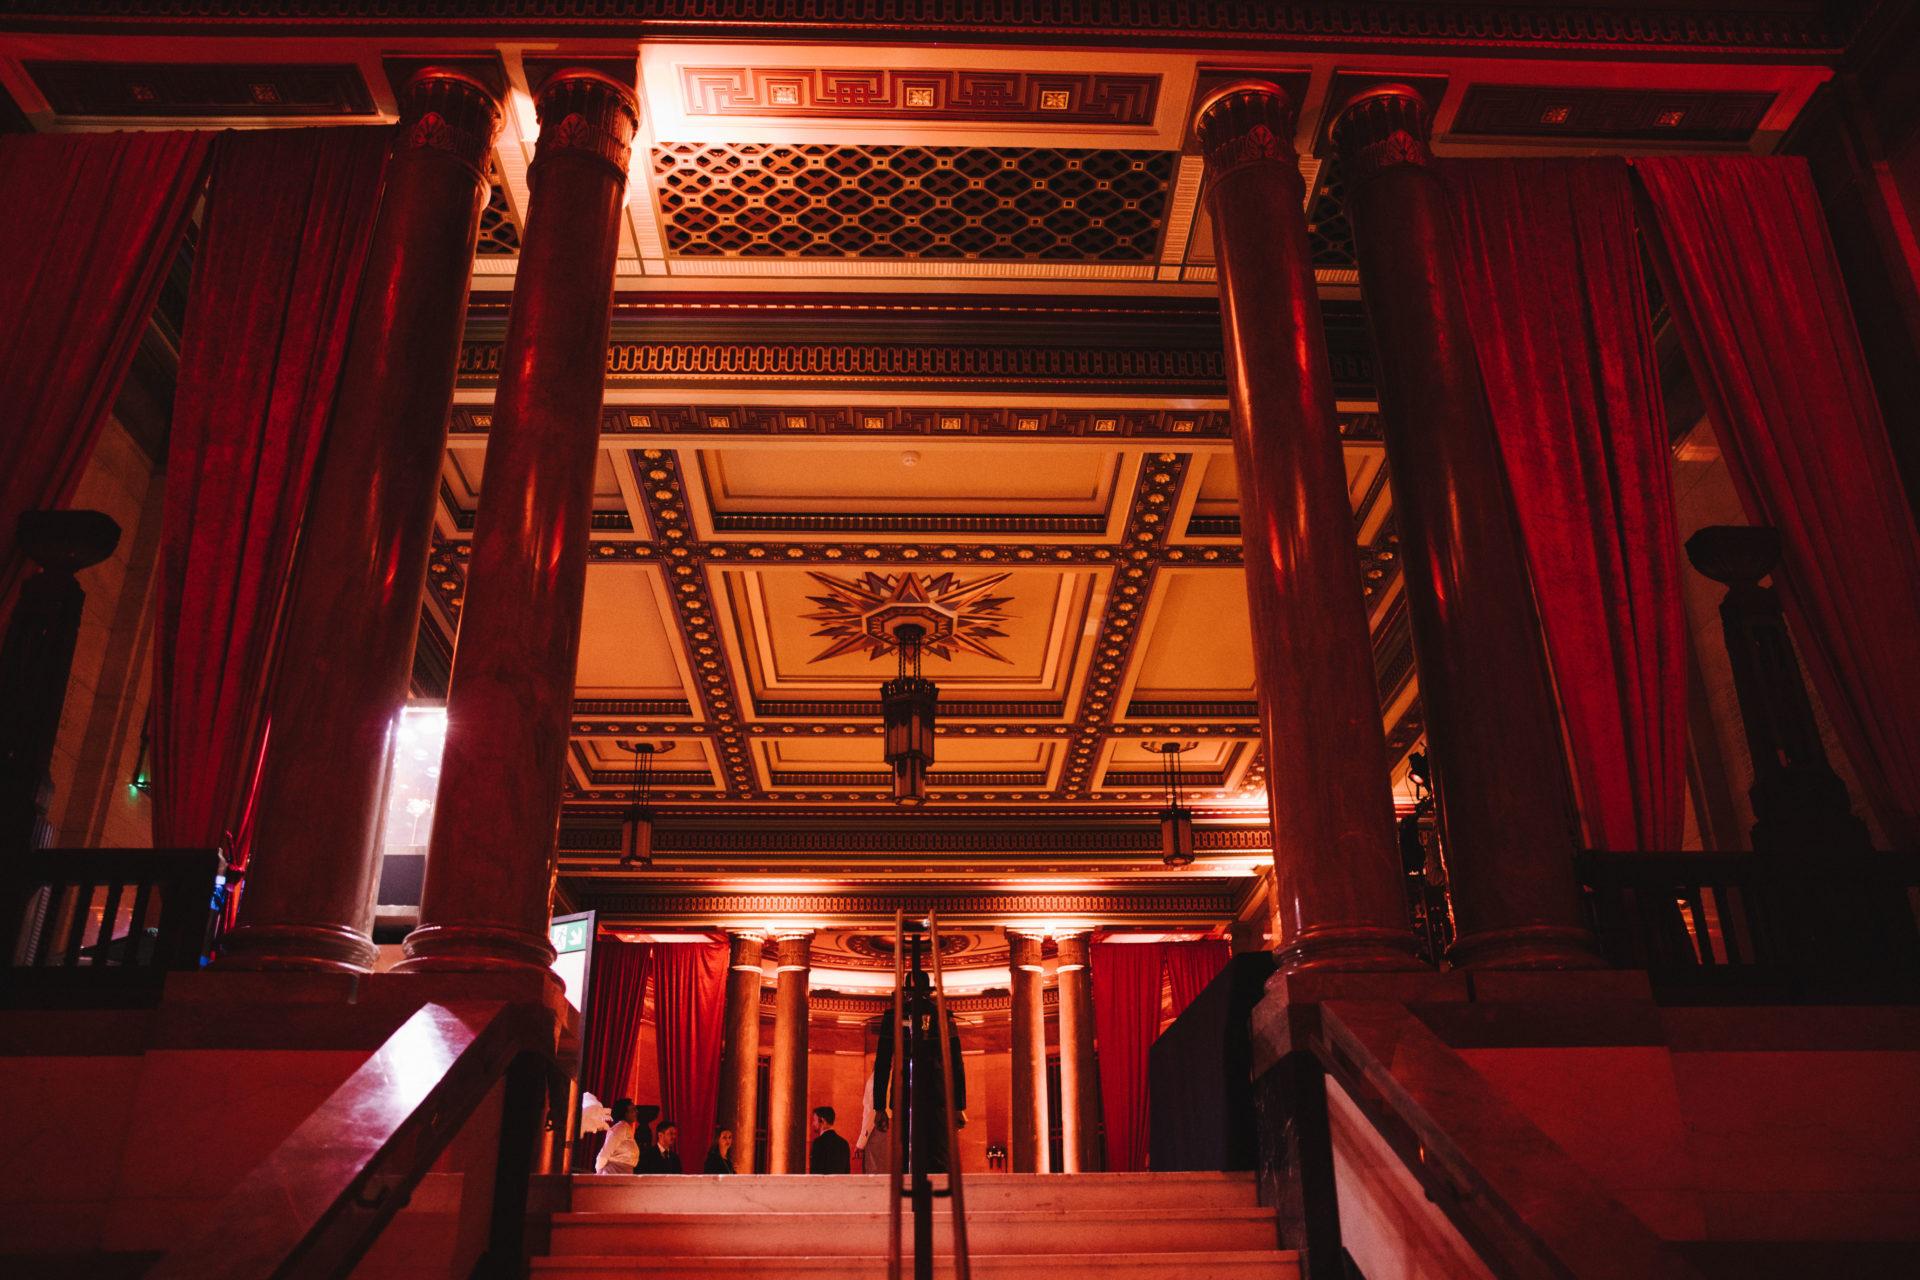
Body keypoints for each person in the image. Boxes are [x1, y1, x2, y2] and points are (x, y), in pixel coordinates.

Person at [873, 970, 967, 1174]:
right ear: (929, 991)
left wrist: (879, 1107)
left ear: (906, 992)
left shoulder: (893, 1017)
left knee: (906, 1152)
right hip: (937, 1093)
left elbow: (882, 1063)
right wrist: (958, 1105)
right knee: (938, 1154)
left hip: (906, 1091)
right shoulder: (943, 1016)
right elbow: (956, 1063)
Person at [595, 1098, 641, 1175]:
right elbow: (605, 1153)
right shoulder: (620, 1127)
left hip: (624, 1174)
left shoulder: (626, 1128)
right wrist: (598, 1174)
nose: (636, 1111)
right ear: (625, 1113)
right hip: (613, 1174)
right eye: (633, 1109)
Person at [809, 1105, 851, 1173]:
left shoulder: (818, 1143)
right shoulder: (844, 1143)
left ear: (822, 1120)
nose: (813, 1124)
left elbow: (814, 1173)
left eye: (814, 1120)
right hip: (839, 1183)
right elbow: (847, 1172)